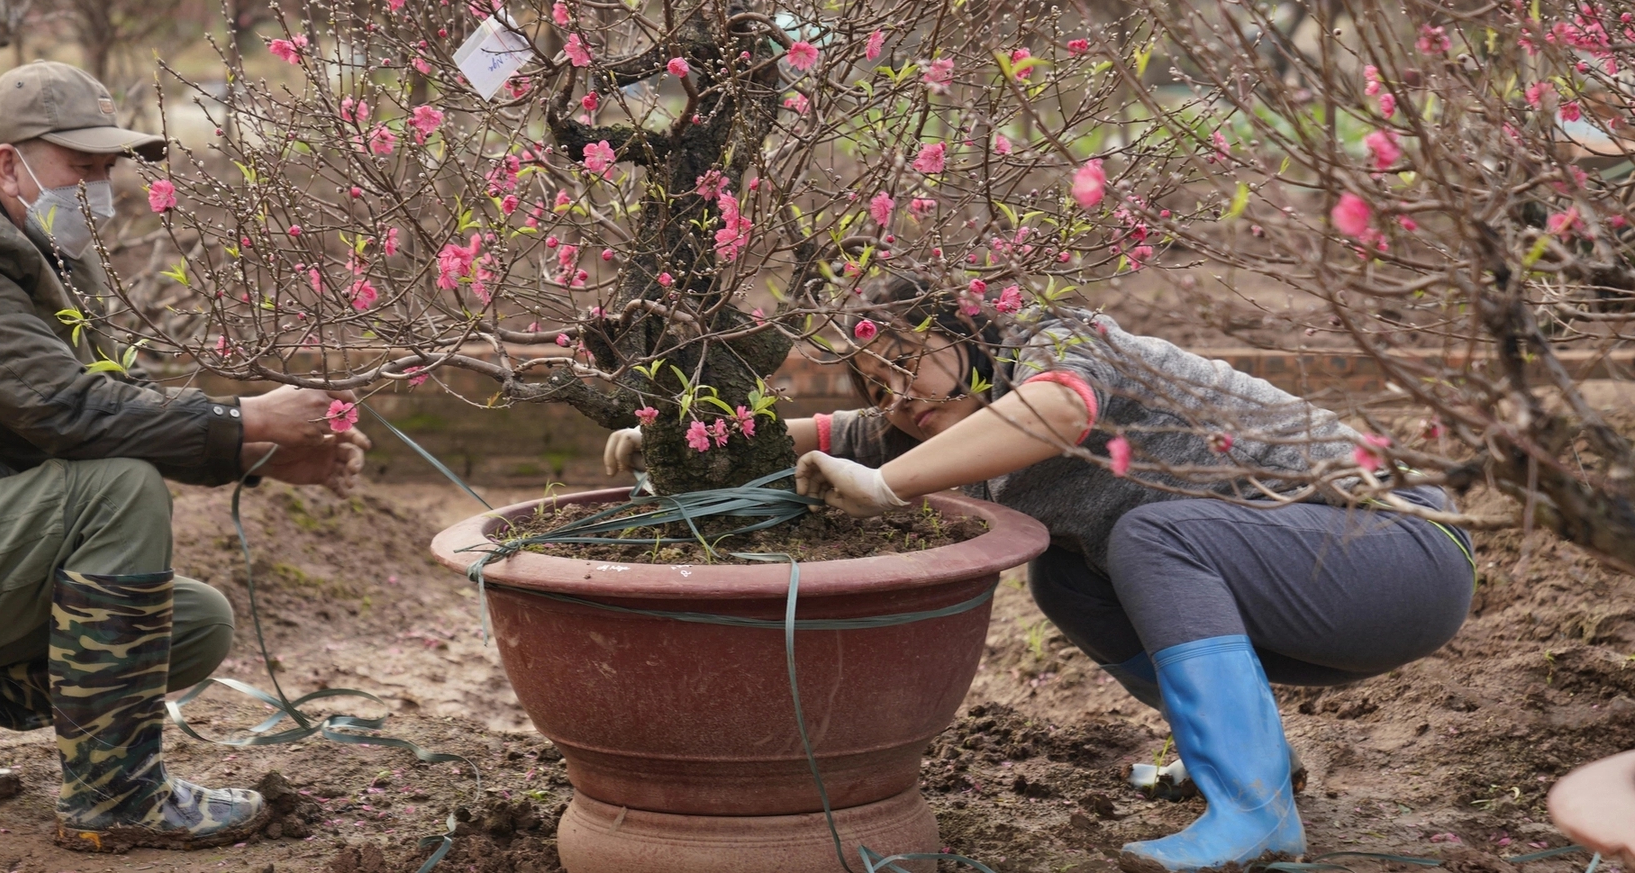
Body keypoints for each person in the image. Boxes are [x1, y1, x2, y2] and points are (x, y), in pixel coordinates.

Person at [602, 273, 1474, 873]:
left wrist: (889, 486)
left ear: (964, 330)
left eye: (909, 359)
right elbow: (839, 436)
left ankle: (1255, 815)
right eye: (878, 381)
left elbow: (1059, 405)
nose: (898, 394)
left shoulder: (1054, 336)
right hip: (1326, 589)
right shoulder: (937, 421)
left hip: (1397, 547)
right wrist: (680, 438)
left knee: (1151, 538)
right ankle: (1246, 767)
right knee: (1068, 575)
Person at [0, 60, 369, 854]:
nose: (101, 184)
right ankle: (117, 796)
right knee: (115, 490)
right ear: (10, 162)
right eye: (81, 166)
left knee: (192, 625)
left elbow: (118, 398)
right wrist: (248, 411)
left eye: (107, 167)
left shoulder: (40, 246)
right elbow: (72, 415)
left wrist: (256, 451)